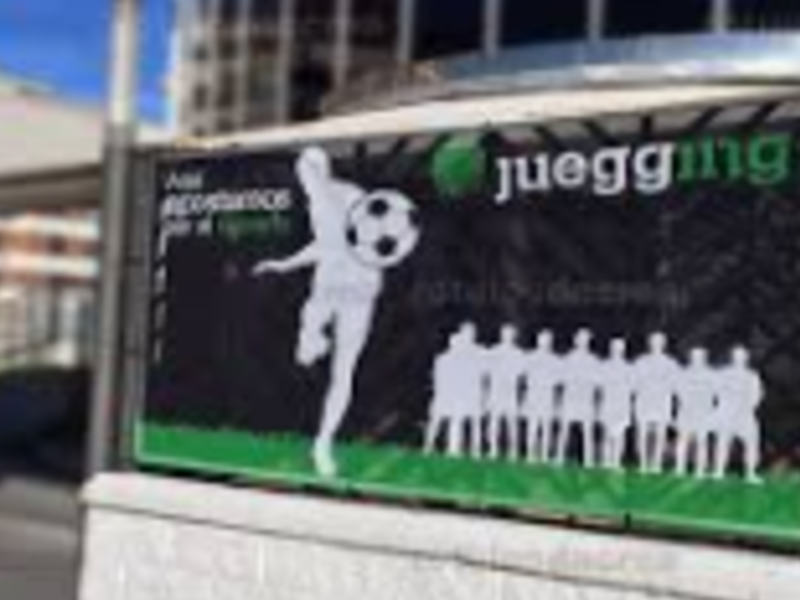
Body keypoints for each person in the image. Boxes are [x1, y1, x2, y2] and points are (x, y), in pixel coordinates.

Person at [253, 147, 386, 478]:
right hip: (330, 283)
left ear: (321, 171)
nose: (305, 180)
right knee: (309, 338)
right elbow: (324, 244)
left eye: (309, 172)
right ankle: (313, 340)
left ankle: (323, 443)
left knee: (344, 370)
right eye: (302, 175)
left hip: (357, 287)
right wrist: (284, 265)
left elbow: (359, 241)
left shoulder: (348, 196)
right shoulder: (317, 200)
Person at [425, 324, 489, 458]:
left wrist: (482, 395)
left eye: (471, 333)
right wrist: (439, 392)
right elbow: (438, 377)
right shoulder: (443, 358)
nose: (469, 335)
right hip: (448, 394)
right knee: (441, 420)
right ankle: (430, 447)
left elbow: (483, 374)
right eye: (466, 333)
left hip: (470, 393)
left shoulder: (479, 352)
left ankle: (472, 450)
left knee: (471, 422)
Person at [714, 347, 763, 483]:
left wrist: (749, 407)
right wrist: (724, 407)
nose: (739, 358)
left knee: (752, 442)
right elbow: (717, 392)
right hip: (728, 415)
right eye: (737, 356)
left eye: (742, 356)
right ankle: (719, 471)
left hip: (745, 414)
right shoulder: (724, 374)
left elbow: (757, 394)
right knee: (723, 442)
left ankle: (751, 473)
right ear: (732, 357)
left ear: (746, 358)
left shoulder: (752, 376)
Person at [633, 333, 680, 474]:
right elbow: (634, 384)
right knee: (642, 433)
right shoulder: (641, 362)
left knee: (661, 434)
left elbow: (676, 386)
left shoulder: (671, 364)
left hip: (662, 402)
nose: (656, 344)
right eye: (654, 341)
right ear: (649, 343)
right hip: (644, 402)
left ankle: (656, 464)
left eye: (659, 342)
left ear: (664, 344)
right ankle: (643, 464)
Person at [555, 329, 601, 467]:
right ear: (575, 341)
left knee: (587, 431)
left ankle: (588, 460)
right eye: (581, 339)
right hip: (570, 399)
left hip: (585, 400)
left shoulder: (593, 361)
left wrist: (593, 400)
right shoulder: (568, 359)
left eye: (586, 339)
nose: (583, 342)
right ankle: (559, 457)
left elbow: (597, 383)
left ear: (589, 342)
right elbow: (561, 380)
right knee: (564, 429)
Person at [674, 348, 717, 479]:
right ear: (690, 358)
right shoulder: (683, 374)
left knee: (702, 441)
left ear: (705, 358)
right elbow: (678, 392)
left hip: (704, 412)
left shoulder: (712, 375)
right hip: (687, 411)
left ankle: (700, 469)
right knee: (682, 440)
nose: (697, 359)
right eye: (694, 356)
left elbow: (716, 393)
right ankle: (679, 468)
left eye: (700, 357)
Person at [485, 326, 526, 460]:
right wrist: (487, 395)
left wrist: (519, 394)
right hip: (495, 392)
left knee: (512, 423)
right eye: (505, 334)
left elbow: (522, 376)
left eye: (510, 334)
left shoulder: (518, 354)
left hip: (510, 393)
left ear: (514, 336)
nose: (507, 336)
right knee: (494, 422)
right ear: (501, 335)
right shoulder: (493, 352)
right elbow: (487, 374)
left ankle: (513, 451)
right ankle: (492, 449)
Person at [521, 330, 561, 463]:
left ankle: (544, 455)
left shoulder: (554, 360)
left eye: (547, 341)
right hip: (534, 396)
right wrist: (525, 399)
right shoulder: (530, 358)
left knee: (546, 427)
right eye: (542, 340)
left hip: (547, 397)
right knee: (532, 426)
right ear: (538, 341)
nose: (545, 343)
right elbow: (524, 380)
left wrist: (556, 402)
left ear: (550, 343)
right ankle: (530, 454)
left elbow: (557, 384)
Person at [597, 338, 635, 471]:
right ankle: (606, 461)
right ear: (611, 349)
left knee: (620, 435)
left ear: (623, 350)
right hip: (608, 403)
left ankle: (617, 461)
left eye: (620, 348)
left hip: (622, 404)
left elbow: (633, 388)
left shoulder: (629, 368)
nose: (617, 350)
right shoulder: (604, 366)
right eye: (614, 347)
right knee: (607, 434)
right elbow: (599, 385)